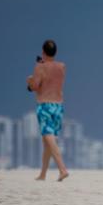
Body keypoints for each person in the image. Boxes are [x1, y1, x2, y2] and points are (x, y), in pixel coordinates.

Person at [27, 39, 69, 181]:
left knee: (48, 137)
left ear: (43, 52)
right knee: (48, 142)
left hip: (45, 105)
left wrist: (29, 82)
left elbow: (36, 86)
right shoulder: (62, 67)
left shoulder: (40, 67)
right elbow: (54, 81)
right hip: (58, 106)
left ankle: (62, 169)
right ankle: (43, 174)